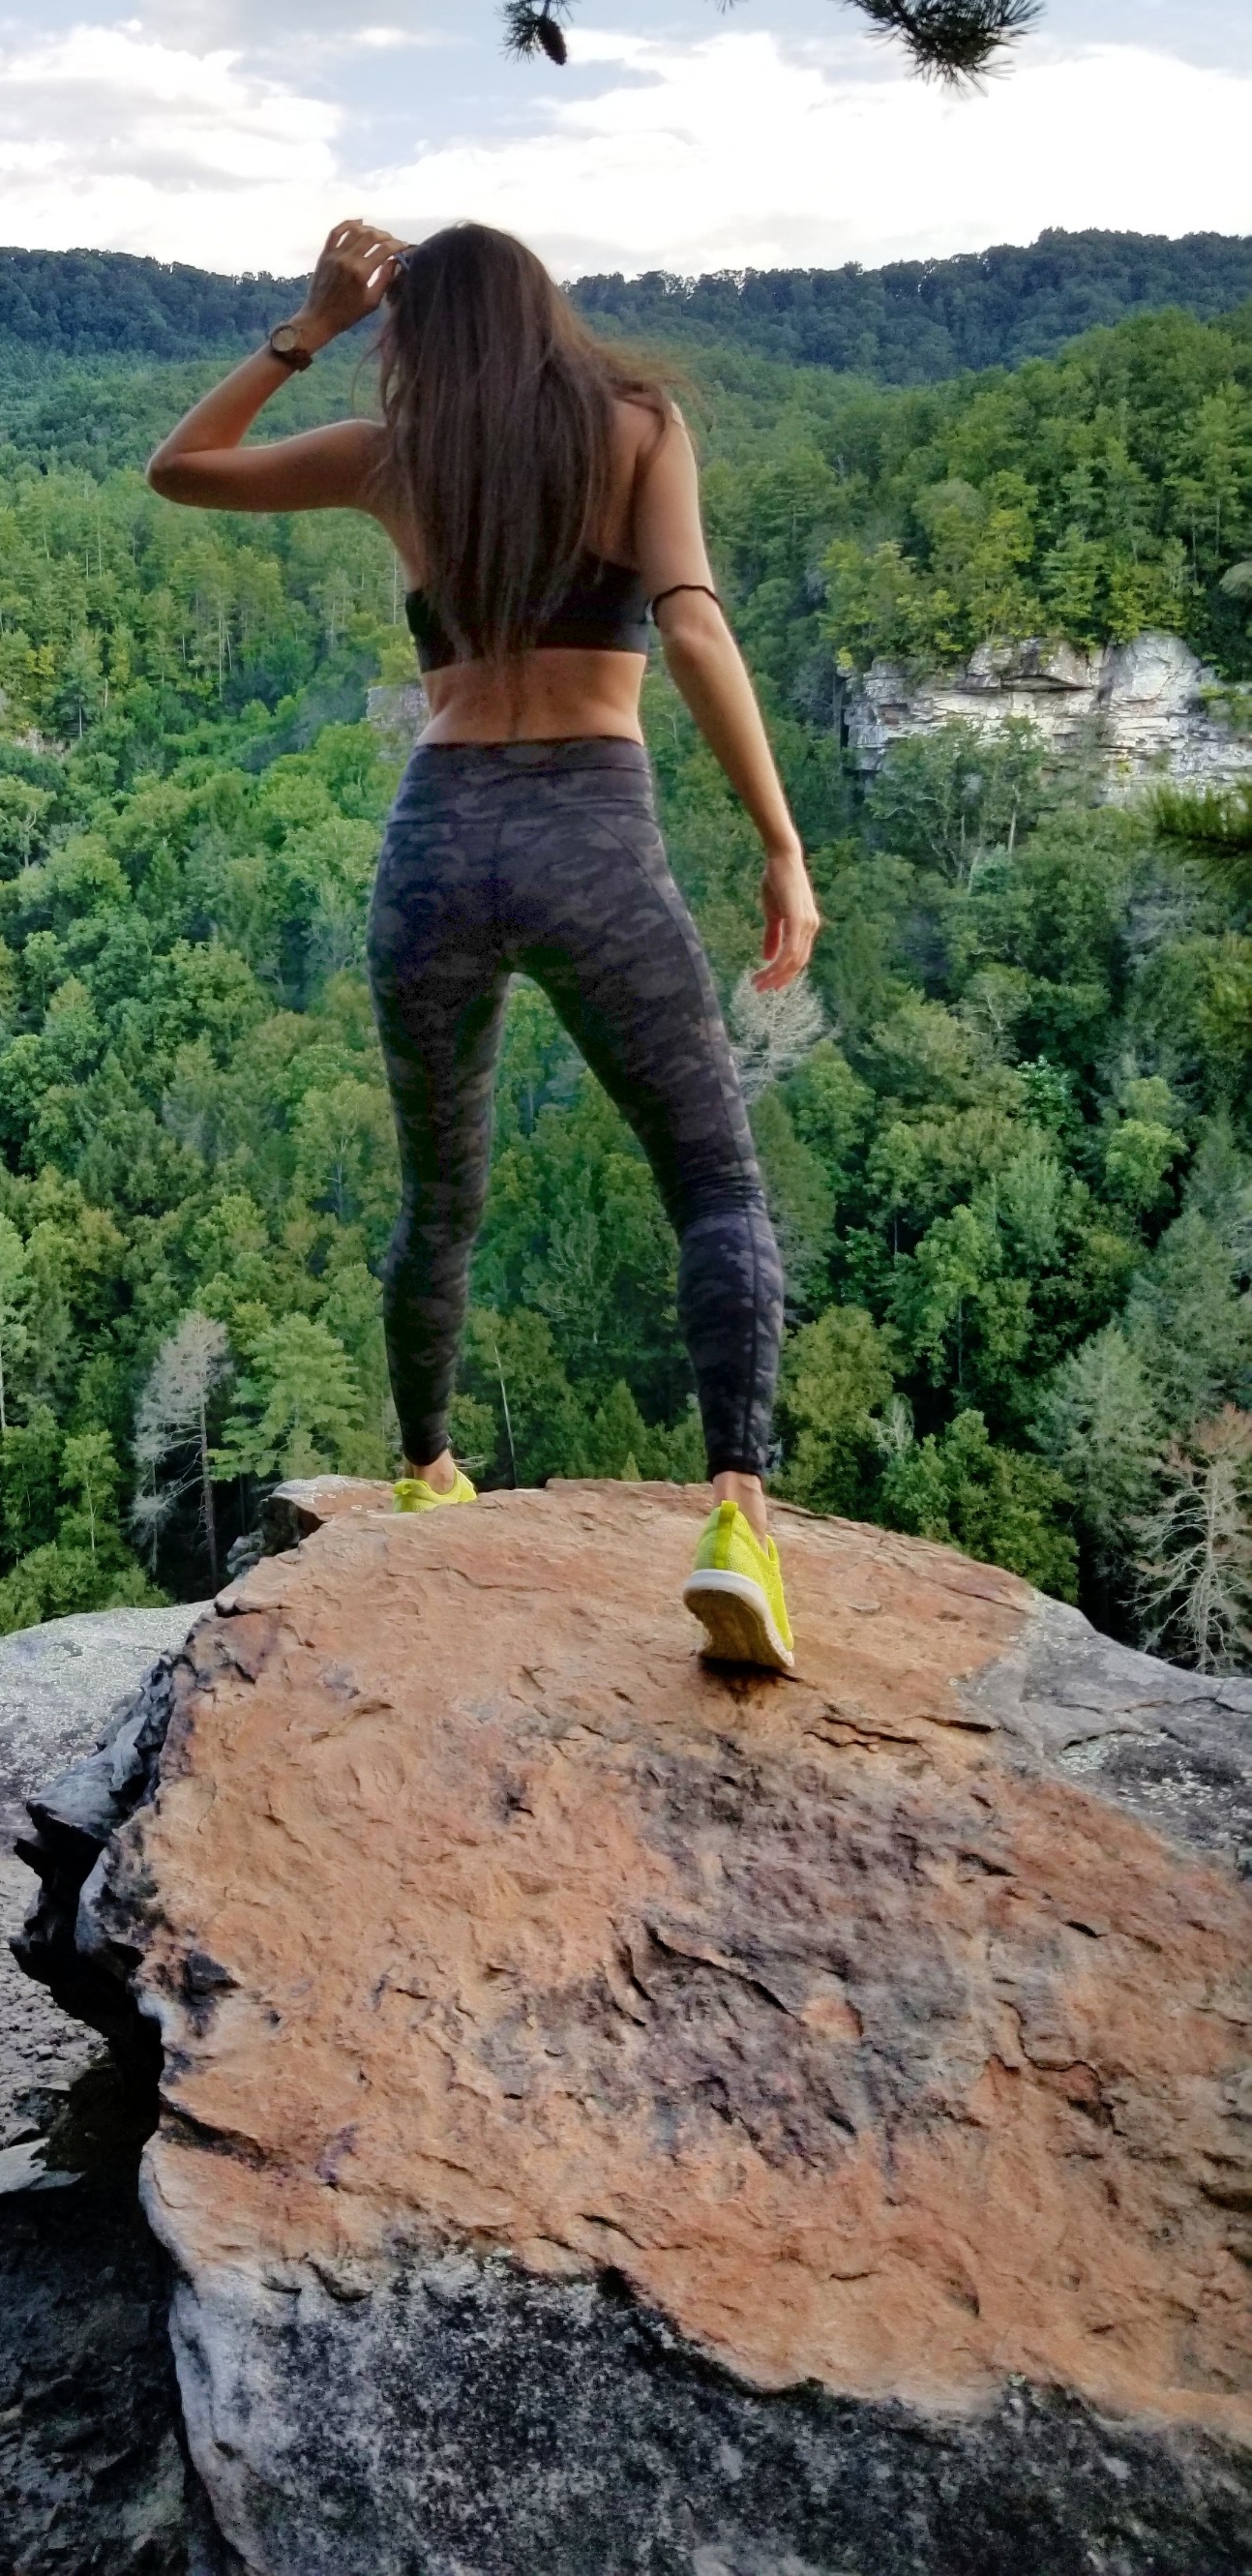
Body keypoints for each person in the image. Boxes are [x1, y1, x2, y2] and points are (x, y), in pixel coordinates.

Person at [146, 218, 820, 1676]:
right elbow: (692, 627)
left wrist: (308, 324)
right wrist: (777, 841)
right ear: (545, 314)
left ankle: (428, 1473)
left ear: (418, 336)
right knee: (710, 1181)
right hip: (593, 839)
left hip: (438, 844)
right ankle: (738, 1522)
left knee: (438, 1198)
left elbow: (179, 468)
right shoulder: (637, 424)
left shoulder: (394, 454)